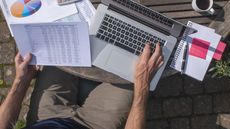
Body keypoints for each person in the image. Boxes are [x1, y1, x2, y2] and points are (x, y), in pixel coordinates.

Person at [0, 43, 164, 129]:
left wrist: (21, 81)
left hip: (45, 118)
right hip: (95, 125)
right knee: (136, 61)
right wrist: (142, 87)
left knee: (58, 42)